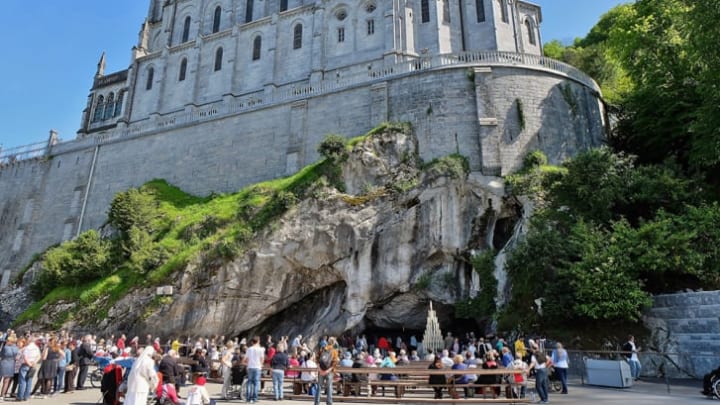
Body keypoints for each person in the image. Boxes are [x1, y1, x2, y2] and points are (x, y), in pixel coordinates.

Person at [315, 336, 339, 405]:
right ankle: (329, 403)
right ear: (334, 343)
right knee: (329, 387)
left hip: (321, 371)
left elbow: (317, 359)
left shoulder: (322, 349)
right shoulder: (334, 351)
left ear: (327, 342)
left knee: (319, 387)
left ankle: (317, 403)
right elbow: (335, 363)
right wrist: (327, 371)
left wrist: (320, 369)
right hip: (329, 372)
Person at [17, 337, 41, 401]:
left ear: (28, 341)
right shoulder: (36, 348)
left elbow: (25, 357)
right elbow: (39, 356)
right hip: (33, 365)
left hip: (25, 364)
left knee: (22, 381)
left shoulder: (27, 348)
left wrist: (29, 363)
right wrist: (34, 363)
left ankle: (20, 396)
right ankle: (26, 396)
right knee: (29, 381)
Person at [245, 336, 265, 403]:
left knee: (249, 382)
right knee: (256, 383)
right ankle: (254, 398)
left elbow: (247, 359)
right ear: (258, 341)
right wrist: (261, 365)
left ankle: (248, 398)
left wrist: (247, 365)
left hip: (250, 367)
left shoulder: (249, 349)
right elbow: (262, 359)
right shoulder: (261, 349)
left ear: (252, 341)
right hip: (257, 367)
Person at [0, 334, 18, 400]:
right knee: (6, 381)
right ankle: (2, 395)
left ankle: (2, 395)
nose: (6, 341)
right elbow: (16, 357)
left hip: (4, 362)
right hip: (11, 363)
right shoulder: (16, 348)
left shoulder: (5, 347)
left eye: (7, 340)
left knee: (2, 379)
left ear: (10, 341)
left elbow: (1, 354)